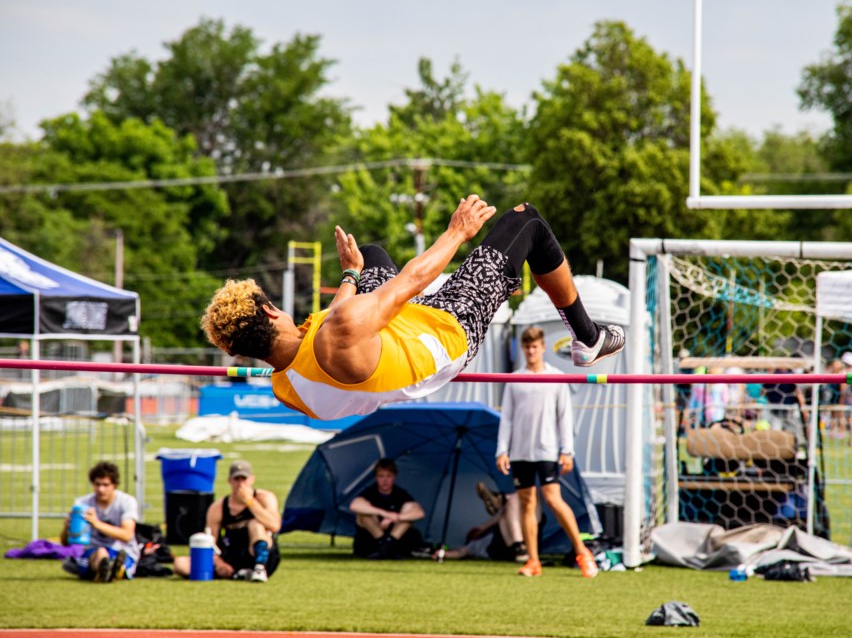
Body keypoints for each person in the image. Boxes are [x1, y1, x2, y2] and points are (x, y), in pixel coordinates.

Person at [200, 196, 625, 421]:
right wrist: (457, 232)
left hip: (392, 341)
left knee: (368, 255)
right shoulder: (340, 327)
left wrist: (351, 275)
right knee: (526, 221)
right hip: (448, 329)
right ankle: (587, 337)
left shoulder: (284, 389)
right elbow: (412, 281)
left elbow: (330, 330)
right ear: (272, 312)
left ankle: (502, 283)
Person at [495, 325, 599, 578]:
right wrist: (502, 450)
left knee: (553, 500)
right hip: (520, 452)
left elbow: (564, 417)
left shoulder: (555, 377)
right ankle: (533, 561)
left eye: (535, 347)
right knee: (527, 504)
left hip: (547, 450)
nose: (531, 351)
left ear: (542, 348)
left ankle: (582, 552)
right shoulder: (515, 380)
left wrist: (567, 450)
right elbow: (506, 418)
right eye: (527, 347)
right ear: (523, 349)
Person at [172, 460, 281, 582]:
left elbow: (274, 525)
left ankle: (259, 568)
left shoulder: (264, 498)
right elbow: (210, 540)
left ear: (252, 479)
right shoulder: (219, 507)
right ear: (229, 481)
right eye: (236, 479)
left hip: (260, 554)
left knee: (255, 524)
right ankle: (236, 573)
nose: (240, 484)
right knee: (180, 564)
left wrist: (249, 502)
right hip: (232, 555)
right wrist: (218, 563)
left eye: (244, 479)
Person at [60, 461, 139, 583]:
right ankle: (108, 569)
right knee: (100, 552)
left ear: (114, 485)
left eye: (106, 485)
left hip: (122, 549)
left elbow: (127, 535)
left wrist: (96, 523)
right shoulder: (82, 504)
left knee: (114, 555)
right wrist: (68, 529)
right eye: (97, 484)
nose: (101, 489)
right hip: (93, 550)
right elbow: (66, 543)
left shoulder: (126, 502)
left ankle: (113, 567)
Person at [350, 458, 426, 559]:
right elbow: (354, 506)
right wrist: (384, 513)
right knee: (364, 515)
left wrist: (396, 517)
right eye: (381, 476)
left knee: (408, 515)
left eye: (388, 476)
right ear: (376, 477)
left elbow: (419, 513)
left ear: (394, 477)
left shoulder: (400, 494)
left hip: (395, 541)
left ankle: (388, 545)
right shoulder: (369, 493)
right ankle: (383, 544)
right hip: (369, 545)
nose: (385, 480)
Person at [432, 488, 528, 563]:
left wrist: (482, 528)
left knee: (511, 508)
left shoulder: (487, 535)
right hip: (500, 549)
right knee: (508, 510)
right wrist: (445, 554)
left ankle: (501, 502)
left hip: (508, 538)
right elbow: (461, 552)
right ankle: (501, 502)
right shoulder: (475, 544)